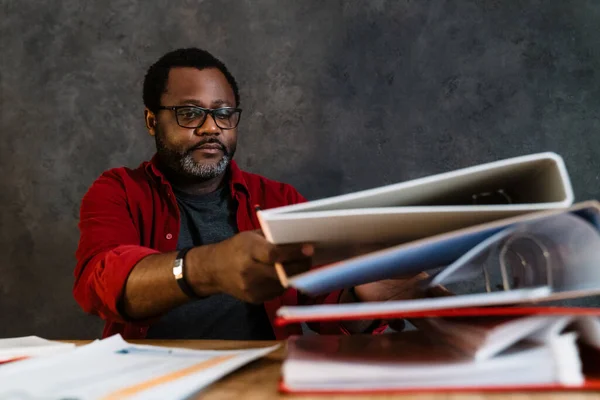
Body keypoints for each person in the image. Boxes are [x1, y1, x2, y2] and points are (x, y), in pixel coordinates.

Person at [73, 48, 423, 340]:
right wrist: (209, 266)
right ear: (152, 121)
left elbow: (325, 307)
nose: (211, 127)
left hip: (262, 382)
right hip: (149, 382)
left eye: (223, 113)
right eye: (190, 113)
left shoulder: (280, 200)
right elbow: (102, 283)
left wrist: (366, 300)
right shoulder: (118, 190)